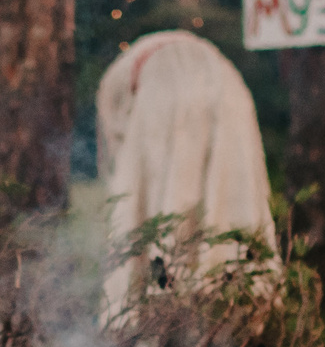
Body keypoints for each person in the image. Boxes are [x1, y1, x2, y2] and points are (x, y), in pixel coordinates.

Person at [95, 28, 276, 316]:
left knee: (162, 197)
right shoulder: (215, 66)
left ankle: (152, 308)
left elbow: (124, 160)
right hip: (226, 88)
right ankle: (233, 302)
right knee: (227, 193)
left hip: (165, 90)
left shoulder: (114, 85)